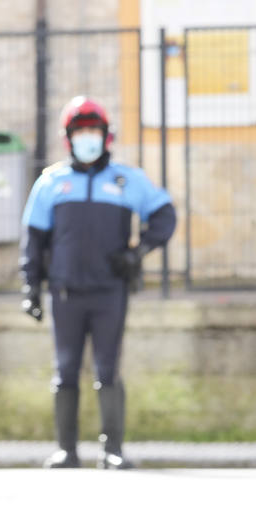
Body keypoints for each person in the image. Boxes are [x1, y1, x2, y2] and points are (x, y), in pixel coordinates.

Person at [20, 96, 176, 470]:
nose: (87, 137)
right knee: (66, 369)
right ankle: (67, 450)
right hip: (65, 292)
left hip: (110, 292)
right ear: (68, 138)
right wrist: (31, 288)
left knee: (108, 368)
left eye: (93, 130)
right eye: (80, 131)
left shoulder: (128, 181)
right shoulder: (51, 183)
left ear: (106, 136)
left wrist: (138, 252)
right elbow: (35, 240)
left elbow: (165, 216)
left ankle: (113, 450)